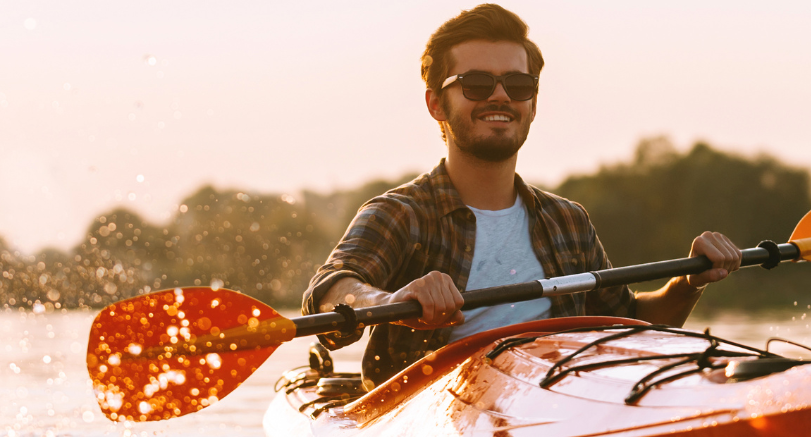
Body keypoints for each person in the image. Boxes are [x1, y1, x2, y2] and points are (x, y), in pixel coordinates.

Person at [302, 4, 742, 386]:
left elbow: (630, 323)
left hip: (555, 405)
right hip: (428, 423)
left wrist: (690, 281)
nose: (500, 96)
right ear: (436, 104)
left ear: (532, 103)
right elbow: (330, 289)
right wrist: (390, 302)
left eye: (518, 85)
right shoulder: (399, 214)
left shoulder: (568, 221)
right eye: (476, 83)